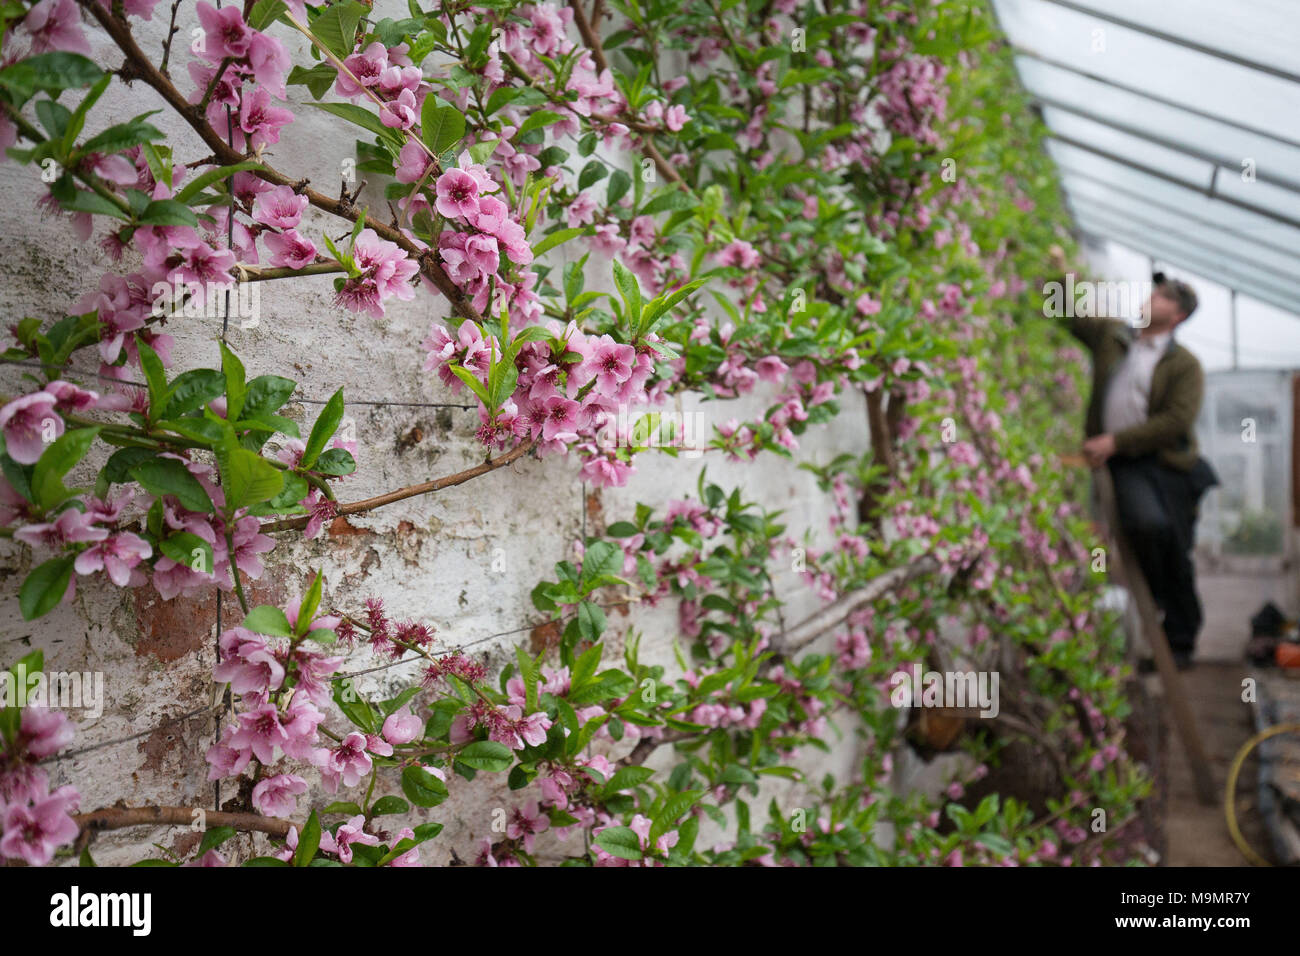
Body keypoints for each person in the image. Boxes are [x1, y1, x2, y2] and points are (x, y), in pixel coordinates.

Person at [1050, 246, 1218, 669]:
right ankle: (1162, 614)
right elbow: (1068, 315)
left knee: (1167, 538)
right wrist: (1060, 272)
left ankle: (1178, 637)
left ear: (1177, 314)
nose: (1150, 299)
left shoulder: (1185, 365)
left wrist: (1115, 441)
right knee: (1145, 527)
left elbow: (1176, 421)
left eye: (1161, 296)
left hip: (1163, 466)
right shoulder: (1114, 338)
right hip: (1125, 464)